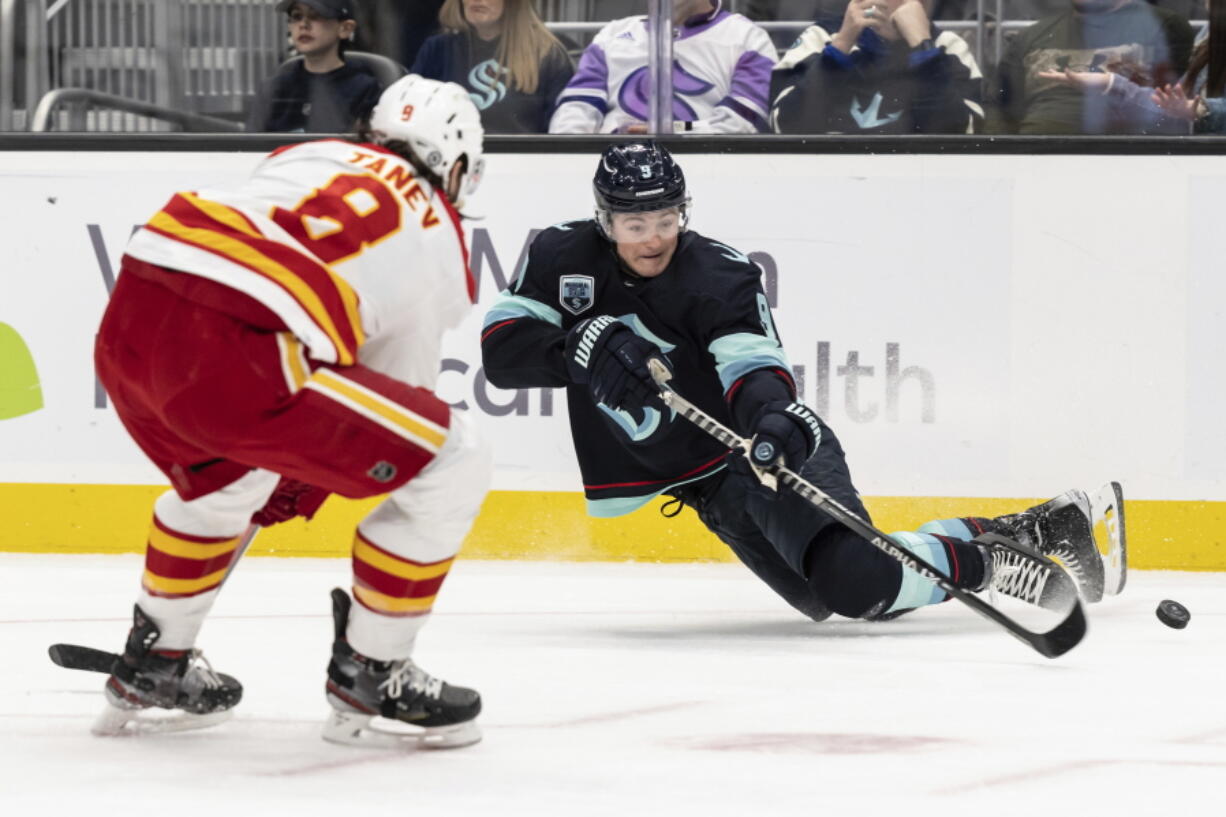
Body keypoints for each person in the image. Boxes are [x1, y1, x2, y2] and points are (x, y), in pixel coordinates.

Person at [480, 140, 1110, 629]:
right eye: (634, 224)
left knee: (858, 582)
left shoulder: (717, 276)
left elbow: (751, 367)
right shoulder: (560, 258)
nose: (653, 239)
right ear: (604, 221)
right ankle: (1034, 528)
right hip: (707, 490)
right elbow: (502, 357)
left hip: (755, 454)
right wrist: (574, 348)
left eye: (666, 218)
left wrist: (772, 425)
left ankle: (989, 561)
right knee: (833, 597)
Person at [91, 75, 490, 748]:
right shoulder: (438, 233)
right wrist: (306, 471)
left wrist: (273, 462)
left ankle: (156, 658)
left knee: (230, 482)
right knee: (454, 457)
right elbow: (399, 413)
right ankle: (375, 666)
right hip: (238, 349)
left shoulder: (306, 155)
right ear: (454, 166)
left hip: (131, 318)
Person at [549, 0, 779, 134]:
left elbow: (743, 126)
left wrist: (673, 131)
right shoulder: (612, 35)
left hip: (705, 167)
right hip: (612, 166)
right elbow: (574, 112)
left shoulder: (748, 38)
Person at [769, 0, 984, 133]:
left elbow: (965, 133)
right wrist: (841, 47)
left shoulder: (947, 45)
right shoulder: (821, 38)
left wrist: (923, 48)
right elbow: (783, 127)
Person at [987, 0, 1194, 134]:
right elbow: (999, 111)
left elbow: (1173, 110)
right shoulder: (1031, 36)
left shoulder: (1163, 25)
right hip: (1033, 159)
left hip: (1128, 160)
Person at [1038, 0, 1226, 132]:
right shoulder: (1209, 35)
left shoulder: (1164, 24)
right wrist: (1110, 84)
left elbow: (1184, 110)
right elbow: (1169, 108)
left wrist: (1199, 110)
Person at [412, 0, 575, 133]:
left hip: (523, 166)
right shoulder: (437, 49)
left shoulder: (548, 54)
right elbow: (412, 113)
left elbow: (562, 132)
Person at [246, 0, 384, 133]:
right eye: (296, 16)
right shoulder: (274, 89)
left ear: (345, 29)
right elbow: (250, 147)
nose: (303, 25)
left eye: (315, 16)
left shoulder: (366, 90)